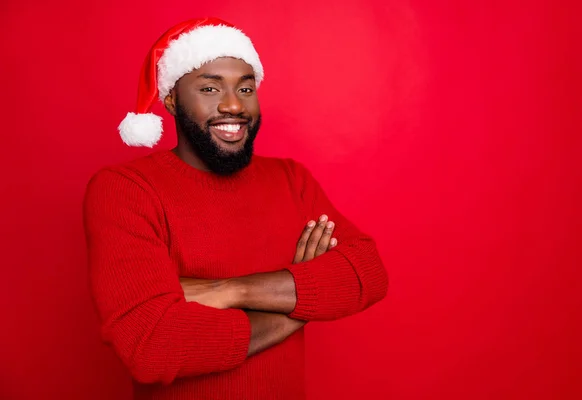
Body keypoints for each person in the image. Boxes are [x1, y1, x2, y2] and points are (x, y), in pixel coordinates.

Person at [83, 17, 388, 400]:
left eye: (245, 87)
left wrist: (229, 290)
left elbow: (367, 273)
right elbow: (151, 347)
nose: (233, 105)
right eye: (210, 88)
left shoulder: (291, 179)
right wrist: (301, 301)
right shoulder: (126, 190)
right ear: (172, 100)